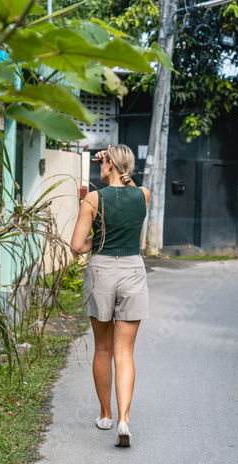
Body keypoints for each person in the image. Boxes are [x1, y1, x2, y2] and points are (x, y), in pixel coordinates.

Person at [70, 144, 150, 447]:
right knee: (125, 353)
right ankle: (124, 420)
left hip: (102, 271)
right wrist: (112, 159)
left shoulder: (93, 198)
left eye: (102, 164)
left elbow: (77, 245)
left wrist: (97, 236)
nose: (98, 169)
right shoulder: (143, 194)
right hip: (133, 271)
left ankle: (105, 414)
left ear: (110, 166)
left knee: (103, 349)